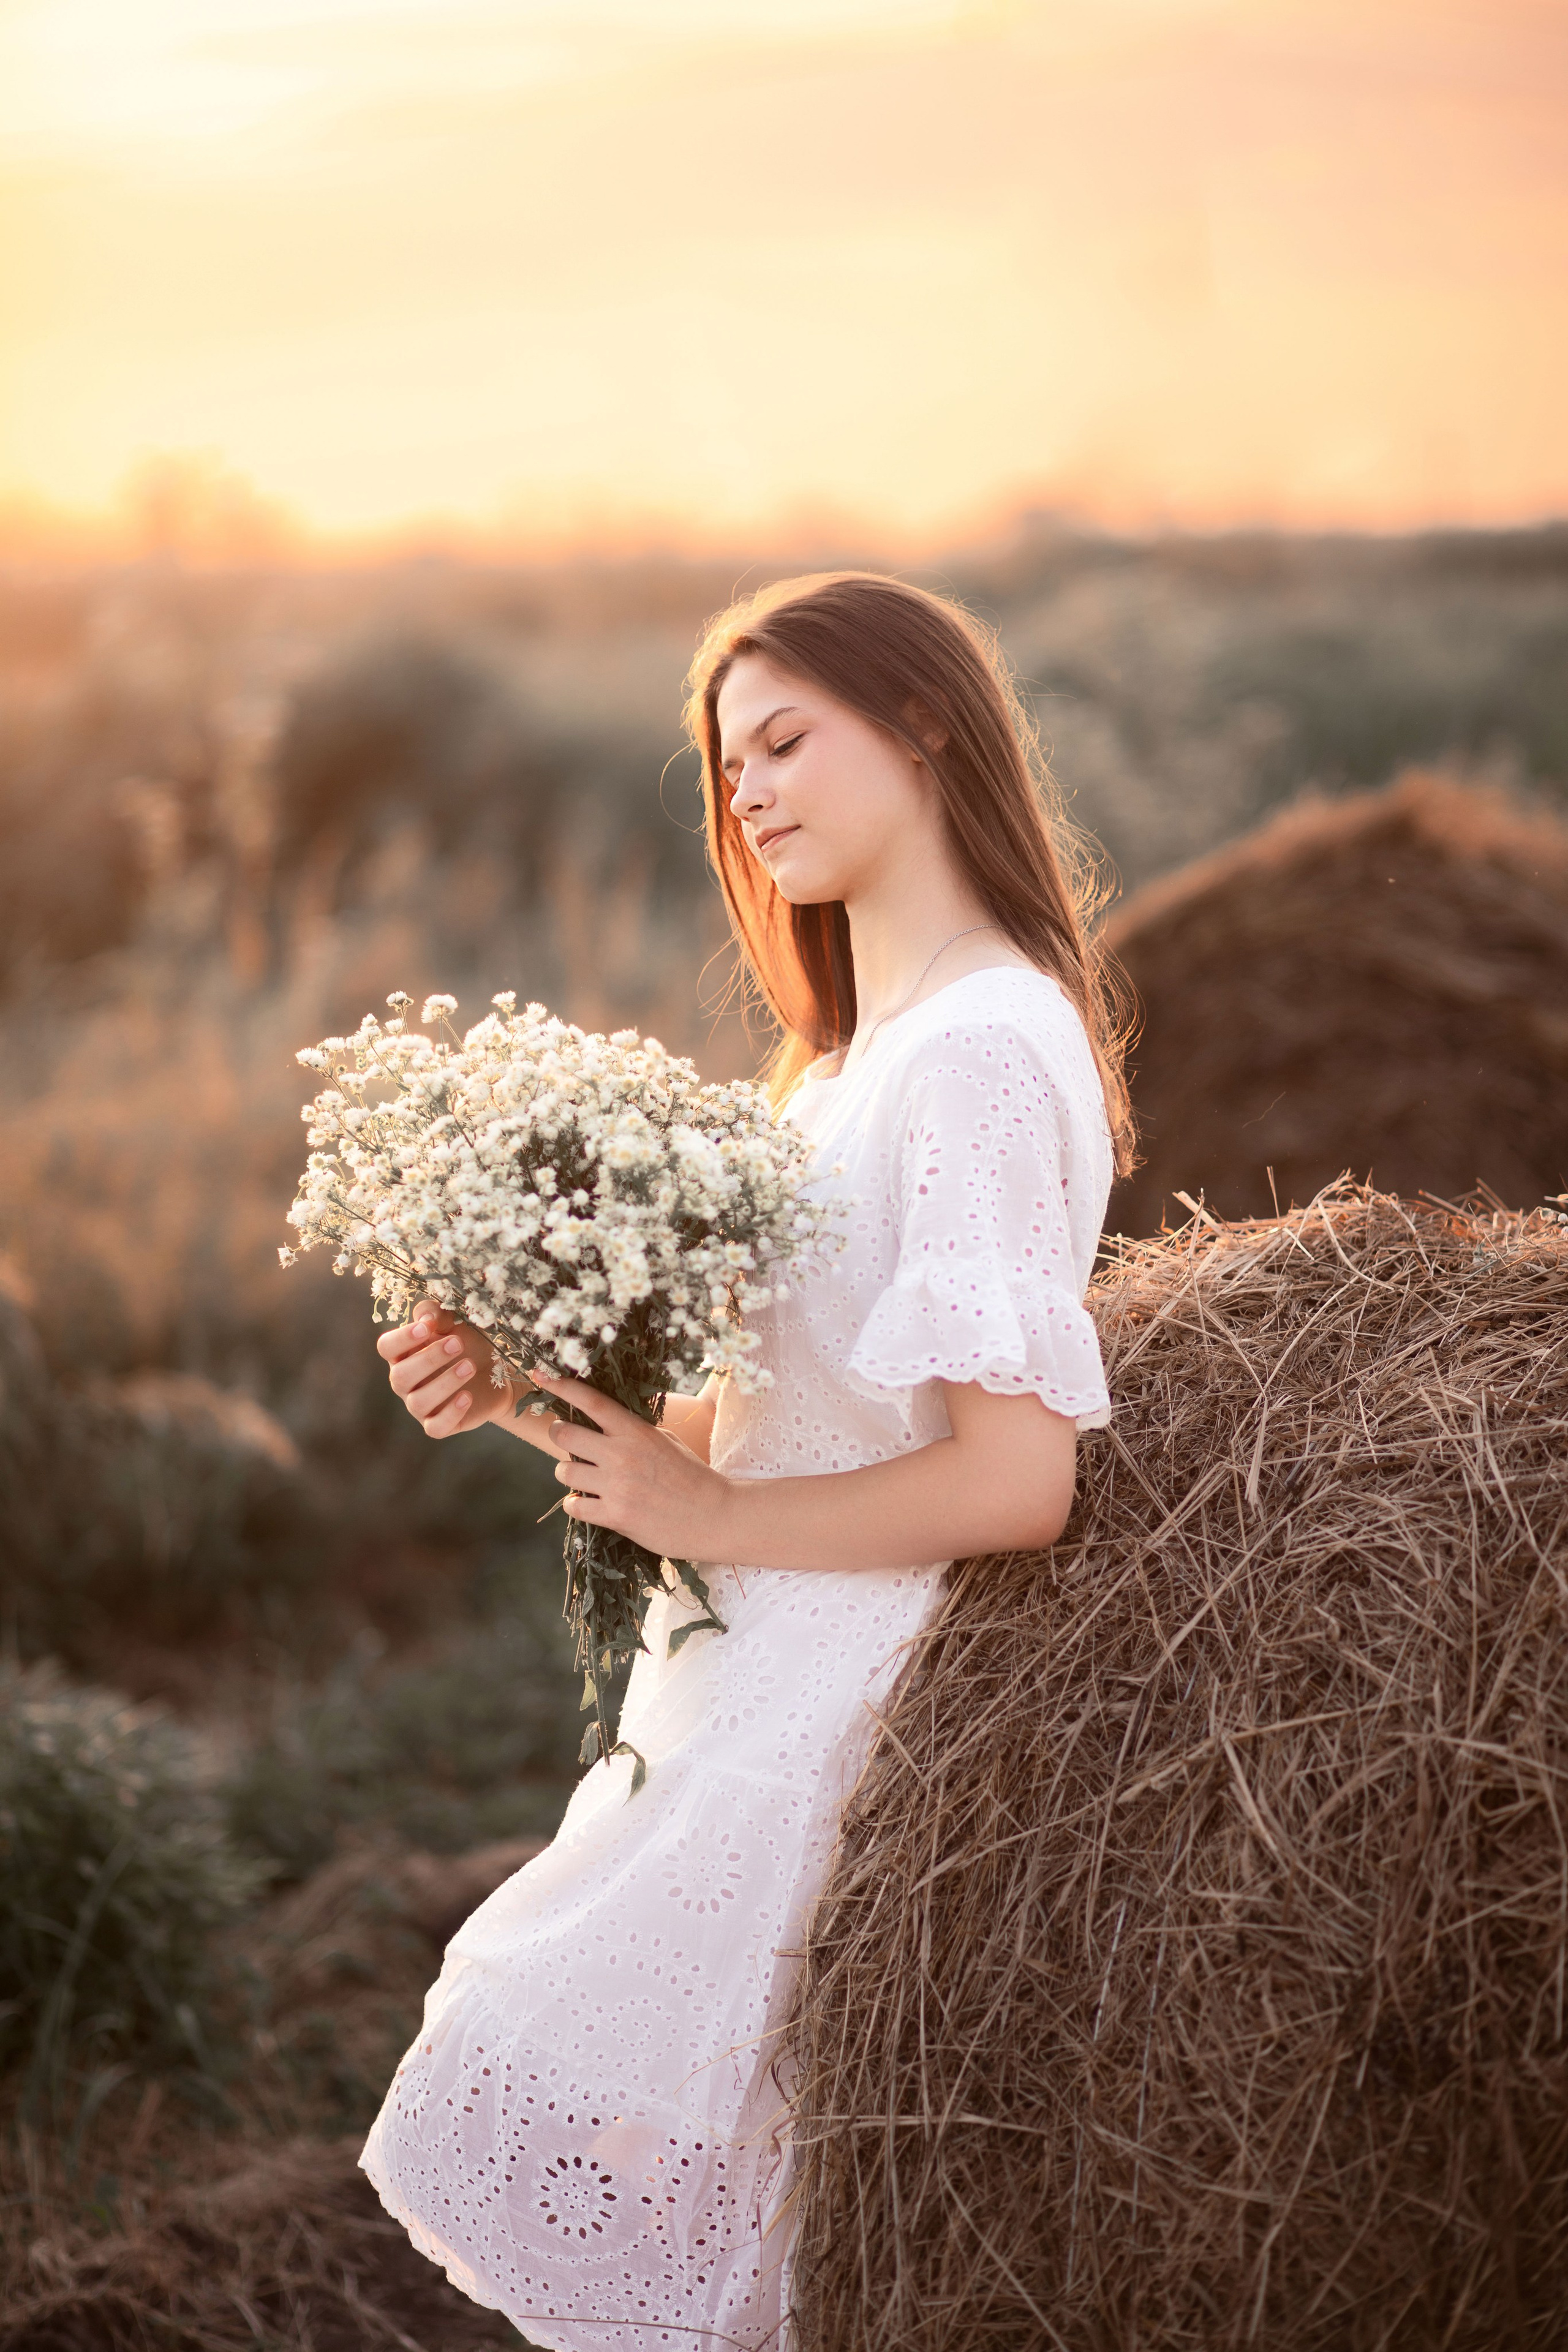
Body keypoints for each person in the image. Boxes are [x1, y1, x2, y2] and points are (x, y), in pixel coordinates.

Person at [358, 571, 1135, 2350]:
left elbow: (1019, 1484)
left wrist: (710, 1512)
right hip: (737, 1670)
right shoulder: (837, 1065)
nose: (752, 795)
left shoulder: (990, 1049)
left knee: (720, 2230)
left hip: (856, 1707)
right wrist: (526, 1381)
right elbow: (780, 1416)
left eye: (786, 741)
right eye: (726, 772)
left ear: (926, 722)